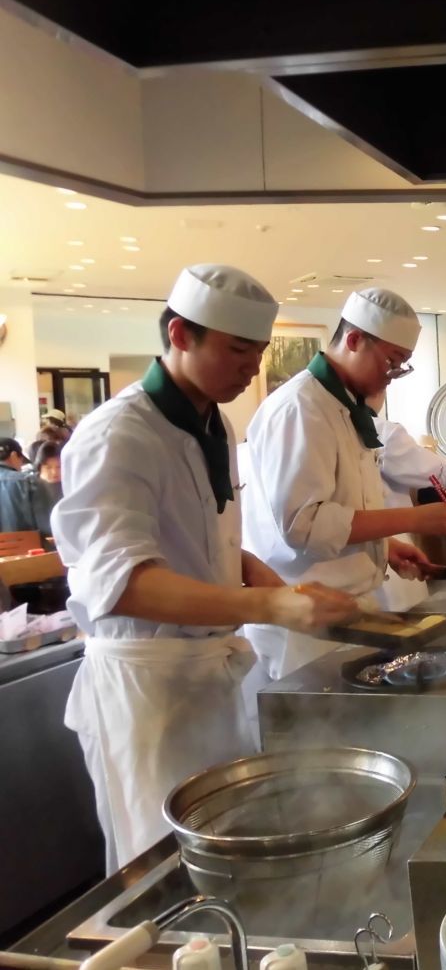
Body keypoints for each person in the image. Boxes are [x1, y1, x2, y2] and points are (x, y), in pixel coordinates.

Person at [52, 264, 360, 872]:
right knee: (161, 864)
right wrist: (268, 605)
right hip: (148, 693)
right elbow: (122, 584)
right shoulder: (117, 435)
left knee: (225, 851)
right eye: (238, 351)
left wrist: (256, 572)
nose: (251, 368)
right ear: (179, 334)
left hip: (206, 680)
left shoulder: (213, 423)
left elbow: (199, 536)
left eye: (259, 352)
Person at [242, 288, 446, 679]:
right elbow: (304, 525)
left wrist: (386, 547)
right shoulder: (301, 408)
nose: (393, 376)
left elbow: (345, 505)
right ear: (353, 340)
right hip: (305, 617)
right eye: (391, 362)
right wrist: (414, 520)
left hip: (345, 609)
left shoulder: (347, 408)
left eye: (402, 366)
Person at [366, 389, 446, 610]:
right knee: (405, 620)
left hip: (382, 550)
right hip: (391, 548)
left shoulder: (324, 430)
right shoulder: (384, 432)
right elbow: (443, 474)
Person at [0, 437, 53, 536]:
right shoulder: (27, 482)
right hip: (25, 544)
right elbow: (47, 524)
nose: (21, 465)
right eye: (21, 460)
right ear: (14, 455)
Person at [30, 439, 63, 504]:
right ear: (39, 468)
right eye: (48, 468)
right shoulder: (29, 487)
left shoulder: (70, 484)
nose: (54, 472)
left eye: (58, 467)